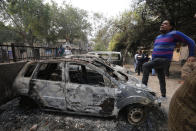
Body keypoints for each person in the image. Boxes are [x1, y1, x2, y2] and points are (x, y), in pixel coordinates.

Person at [141, 19, 195, 101]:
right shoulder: (158, 37)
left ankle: (143, 91)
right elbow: (156, 49)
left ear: (171, 27)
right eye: (162, 23)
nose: (162, 25)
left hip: (164, 60)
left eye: (165, 24)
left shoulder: (175, 33)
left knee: (145, 65)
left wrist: (191, 55)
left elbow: (191, 42)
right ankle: (163, 96)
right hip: (156, 60)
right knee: (161, 77)